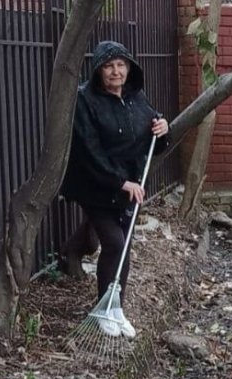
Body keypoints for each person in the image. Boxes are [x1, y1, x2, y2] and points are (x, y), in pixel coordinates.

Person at [60, 40, 169, 338]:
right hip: (96, 185)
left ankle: (117, 307)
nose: (116, 71)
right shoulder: (85, 100)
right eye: (109, 66)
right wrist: (120, 182)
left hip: (130, 186)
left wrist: (163, 129)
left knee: (126, 247)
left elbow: (152, 140)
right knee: (115, 243)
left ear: (129, 68)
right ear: (98, 70)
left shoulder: (136, 97)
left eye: (121, 65)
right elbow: (88, 151)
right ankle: (103, 309)